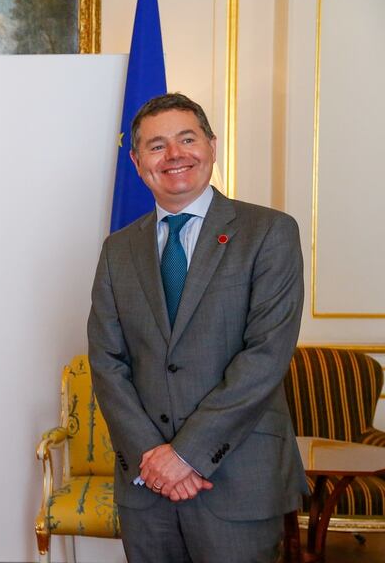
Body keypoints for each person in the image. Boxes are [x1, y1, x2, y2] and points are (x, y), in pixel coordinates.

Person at [87, 93, 307, 562]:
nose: (175, 156)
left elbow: (265, 356)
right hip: (147, 482)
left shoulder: (269, 232)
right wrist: (155, 455)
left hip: (238, 476)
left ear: (210, 145)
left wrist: (184, 455)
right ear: (137, 161)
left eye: (187, 139)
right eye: (157, 145)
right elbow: (107, 362)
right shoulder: (118, 250)